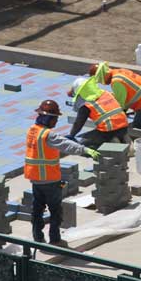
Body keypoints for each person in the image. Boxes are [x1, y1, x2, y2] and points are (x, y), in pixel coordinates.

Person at [25, 100, 99, 246]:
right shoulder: (48, 135)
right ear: (49, 118)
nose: (56, 121)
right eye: (55, 119)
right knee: (55, 212)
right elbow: (66, 145)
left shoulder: (32, 131)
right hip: (50, 180)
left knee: (37, 210)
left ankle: (37, 238)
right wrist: (85, 150)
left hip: (35, 179)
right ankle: (55, 239)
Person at [90, 61, 141, 130]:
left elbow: (120, 106)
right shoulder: (119, 71)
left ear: (103, 76)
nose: (102, 83)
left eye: (100, 80)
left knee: (137, 129)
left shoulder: (116, 82)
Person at [66, 76, 129, 149]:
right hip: (124, 126)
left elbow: (78, 124)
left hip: (108, 131)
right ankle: (119, 138)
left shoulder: (86, 104)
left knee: (83, 143)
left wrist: (71, 135)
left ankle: (111, 141)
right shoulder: (105, 93)